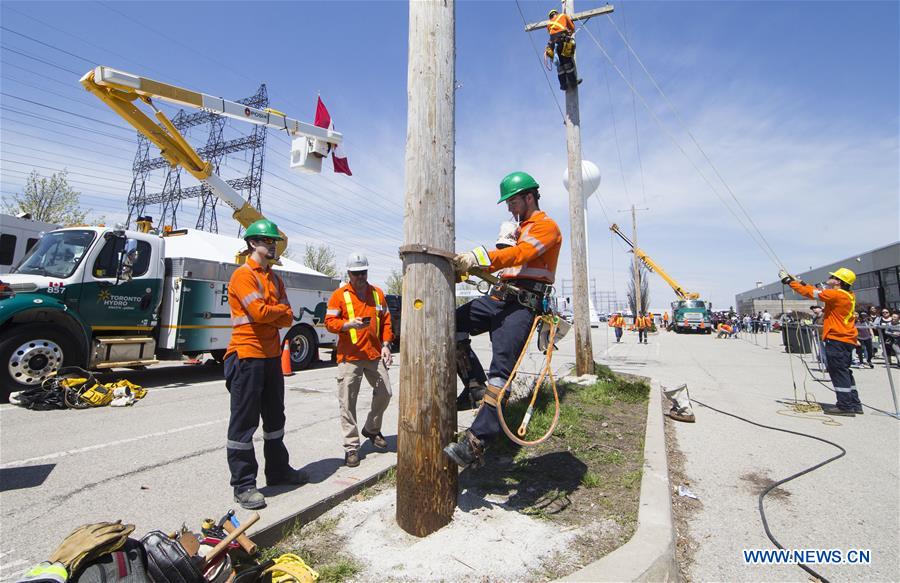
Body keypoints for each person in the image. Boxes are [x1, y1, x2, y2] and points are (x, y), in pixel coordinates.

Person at [445, 171, 562, 468]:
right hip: (499, 298)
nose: (509, 208)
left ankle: (477, 442)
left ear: (529, 197)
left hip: (521, 306)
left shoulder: (546, 228)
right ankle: (474, 385)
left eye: (512, 201)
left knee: (501, 372)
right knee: (451, 325)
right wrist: (466, 269)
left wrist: (479, 256)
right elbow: (504, 263)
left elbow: (520, 255)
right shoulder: (518, 229)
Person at [224, 219, 308, 510]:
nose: (273, 246)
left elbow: (288, 317)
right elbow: (259, 312)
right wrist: (277, 312)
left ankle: (278, 471)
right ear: (252, 243)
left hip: (271, 356)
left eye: (274, 241)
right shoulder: (242, 275)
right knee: (244, 424)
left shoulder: (275, 278)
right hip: (247, 355)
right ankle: (244, 485)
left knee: (275, 419)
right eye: (267, 241)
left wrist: (276, 313)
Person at [324, 252, 394, 468]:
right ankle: (351, 447)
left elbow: (386, 321)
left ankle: (371, 429)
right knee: (347, 403)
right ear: (349, 273)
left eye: (363, 272)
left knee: (385, 393)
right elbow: (329, 322)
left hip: (373, 354)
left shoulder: (377, 293)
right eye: (356, 273)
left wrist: (386, 345)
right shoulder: (339, 295)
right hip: (350, 357)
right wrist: (347, 325)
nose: (360, 276)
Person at [780, 267, 860, 415]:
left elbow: (811, 293)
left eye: (833, 277)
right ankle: (854, 403)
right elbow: (815, 290)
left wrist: (789, 281)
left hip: (837, 339)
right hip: (846, 338)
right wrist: (800, 282)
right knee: (845, 371)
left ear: (838, 282)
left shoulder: (836, 294)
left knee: (838, 372)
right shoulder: (847, 295)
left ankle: (845, 406)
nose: (830, 278)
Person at [545, 8, 579, 91]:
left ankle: (563, 85)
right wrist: (570, 32)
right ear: (556, 13)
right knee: (568, 63)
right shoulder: (563, 16)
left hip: (553, 45)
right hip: (562, 42)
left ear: (550, 16)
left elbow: (551, 33)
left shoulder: (549, 24)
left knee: (560, 66)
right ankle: (573, 82)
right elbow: (572, 27)